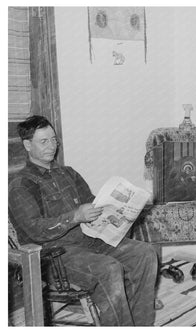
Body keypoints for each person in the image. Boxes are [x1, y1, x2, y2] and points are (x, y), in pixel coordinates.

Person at [8, 115, 158, 326]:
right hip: (54, 255)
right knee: (108, 268)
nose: (52, 146)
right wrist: (75, 216)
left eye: (54, 140)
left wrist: (121, 207)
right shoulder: (21, 185)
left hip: (90, 240)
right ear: (27, 145)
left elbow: (92, 204)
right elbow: (34, 230)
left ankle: (141, 325)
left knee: (144, 253)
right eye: (44, 141)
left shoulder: (68, 173)